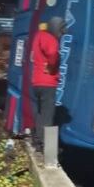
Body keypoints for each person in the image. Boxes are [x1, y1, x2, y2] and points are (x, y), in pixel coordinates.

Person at [31, 16, 63, 149]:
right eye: (61, 31)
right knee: (48, 115)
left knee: (39, 113)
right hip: (47, 83)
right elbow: (53, 53)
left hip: (36, 82)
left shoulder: (38, 36)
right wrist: (51, 65)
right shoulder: (50, 39)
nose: (61, 35)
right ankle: (47, 148)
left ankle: (37, 142)